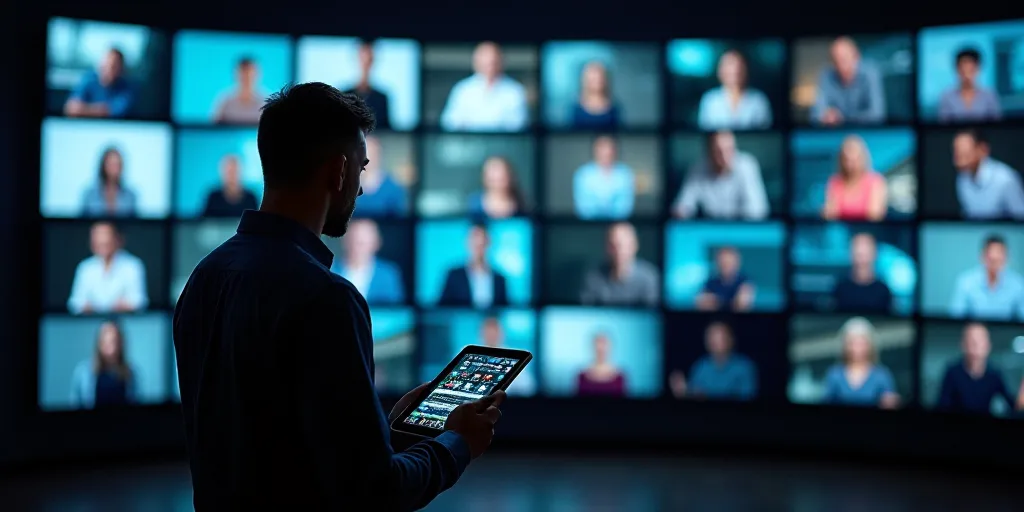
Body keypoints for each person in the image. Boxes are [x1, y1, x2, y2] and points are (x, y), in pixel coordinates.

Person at [173, 83, 503, 510]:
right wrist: (458, 443)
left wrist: (388, 429)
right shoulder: (328, 299)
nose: (362, 190)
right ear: (339, 171)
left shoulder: (204, 278)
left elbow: (276, 447)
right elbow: (376, 492)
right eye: (361, 170)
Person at [671, 130, 769, 220]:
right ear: (709, 152)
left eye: (729, 150)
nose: (724, 157)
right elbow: (682, 207)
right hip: (712, 231)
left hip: (742, 232)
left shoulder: (747, 166)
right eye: (718, 152)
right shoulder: (698, 169)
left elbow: (757, 211)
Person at [937, 323, 1024, 415]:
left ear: (987, 345)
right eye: (971, 342)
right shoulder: (952, 373)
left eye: (979, 342)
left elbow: (1013, 406)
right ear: (963, 345)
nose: (975, 347)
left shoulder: (994, 375)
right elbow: (942, 408)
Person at [440, 42, 528, 132]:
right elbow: (449, 122)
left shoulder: (515, 91)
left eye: (493, 62)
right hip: (469, 144)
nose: (490, 67)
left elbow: (518, 125)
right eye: (485, 62)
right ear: (476, 62)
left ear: (501, 62)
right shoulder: (463, 89)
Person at [67, 221, 148, 315]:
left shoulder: (133, 265)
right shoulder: (85, 267)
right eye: (98, 243)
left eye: (106, 243)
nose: (102, 246)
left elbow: (139, 302)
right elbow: (75, 303)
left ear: (118, 240)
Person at [822, 317, 899, 409]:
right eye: (853, 343)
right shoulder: (834, 374)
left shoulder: (882, 375)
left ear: (870, 345)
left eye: (861, 343)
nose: (857, 349)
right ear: (846, 346)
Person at [668, 322, 757, 401]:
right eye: (710, 336)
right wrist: (683, 391)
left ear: (730, 339)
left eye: (719, 336)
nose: (713, 341)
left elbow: (747, 398)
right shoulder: (700, 366)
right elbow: (694, 395)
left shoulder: (745, 367)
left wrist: (704, 396)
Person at [579, 222, 659, 306]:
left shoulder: (649, 278)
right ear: (607, 248)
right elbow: (586, 312)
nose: (618, 251)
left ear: (634, 246)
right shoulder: (593, 277)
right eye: (613, 246)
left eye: (622, 245)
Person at [811, 37, 886, 126]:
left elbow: (877, 114)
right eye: (835, 61)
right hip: (834, 134)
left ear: (856, 57)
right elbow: (815, 115)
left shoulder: (871, 73)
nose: (840, 66)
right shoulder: (826, 75)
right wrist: (826, 115)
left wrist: (843, 119)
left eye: (844, 59)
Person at [952, 129, 1024, 220]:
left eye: (964, 153)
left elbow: (1021, 219)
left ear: (983, 150)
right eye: (957, 153)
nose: (958, 161)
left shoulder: (1006, 179)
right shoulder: (961, 178)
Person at [949, 235, 1024, 321]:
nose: (995, 263)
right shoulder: (966, 282)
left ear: (1006, 258)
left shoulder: (1018, 284)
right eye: (991, 259)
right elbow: (955, 317)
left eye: (999, 258)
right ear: (982, 257)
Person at [330, 218, 405, 304]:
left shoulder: (389, 274)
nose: (358, 248)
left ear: (376, 244)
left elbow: (395, 311)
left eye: (363, 243)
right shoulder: (330, 269)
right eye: (354, 241)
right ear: (345, 242)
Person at [697, 49, 772, 130]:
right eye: (729, 65)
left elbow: (766, 134)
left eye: (739, 67)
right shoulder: (710, 99)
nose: (735, 71)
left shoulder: (759, 99)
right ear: (720, 71)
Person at [438, 223, 509, 308]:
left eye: (482, 242)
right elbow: (441, 309)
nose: (479, 244)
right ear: (468, 242)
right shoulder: (454, 275)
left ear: (489, 243)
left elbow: (504, 309)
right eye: (475, 240)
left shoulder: (500, 279)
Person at [70, 320, 137, 408]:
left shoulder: (131, 372)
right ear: (99, 343)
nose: (111, 349)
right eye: (107, 342)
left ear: (121, 344)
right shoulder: (83, 372)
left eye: (114, 342)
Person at [822, 135, 888, 222]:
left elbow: (875, 215)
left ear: (863, 158)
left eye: (855, 160)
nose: (850, 165)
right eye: (846, 159)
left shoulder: (876, 181)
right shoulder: (834, 181)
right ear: (841, 160)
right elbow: (830, 213)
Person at [572, 135, 635, 219]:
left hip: (618, 226)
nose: (606, 152)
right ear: (594, 149)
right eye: (602, 147)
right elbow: (584, 209)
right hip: (589, 226)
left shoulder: (625, 174)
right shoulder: (583, 174)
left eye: (609, 147)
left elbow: (625, 208)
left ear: (615, 150)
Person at [64, 48, 136, 118]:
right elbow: (71, 109)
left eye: (114, 66)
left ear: (121, 69)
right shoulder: (88, 79)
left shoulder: (127, 87)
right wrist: (101, 109)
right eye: (106, 65)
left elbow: (115, 112)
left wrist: (83, 109)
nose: (109, 69)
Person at [833, 233, 893, 313]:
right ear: (851, 255)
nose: (861, 261)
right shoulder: (840, 288)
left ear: (874, 255)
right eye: (858, 255)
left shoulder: (883, 290)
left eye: (865, 255)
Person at [938, 48, 1002, 123]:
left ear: (978, 69)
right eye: (963, 70)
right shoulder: (947, 96)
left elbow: (997, 123)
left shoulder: (990, 95)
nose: (967, 75)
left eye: (971, 70)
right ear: (957, 70)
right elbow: (943, 124)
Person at [478, 316, 536, 396]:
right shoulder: (469, 355)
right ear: (481, 333)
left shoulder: (514, 356)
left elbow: (527, 387)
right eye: (487, 331)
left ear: (501, 333)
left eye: (494, 331)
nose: (491, 335)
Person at [353, 135, 408, 217]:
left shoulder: (394, 189)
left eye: (371, 153)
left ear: (379, 156)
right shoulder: (349, 186)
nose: (366, 158)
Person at [343, 40, 390, 130]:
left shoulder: (382, 98)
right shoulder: (344, 95)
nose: (365, 64)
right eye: (363, 58)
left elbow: (387, 132)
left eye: (369, 59)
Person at [81, 146, 138, 217]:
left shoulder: (130, 195)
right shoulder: (89, 195)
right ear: (103, 166)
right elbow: (82, 223)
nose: (114, 169)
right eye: (111, 164)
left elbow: (134, 224)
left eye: (117, 165)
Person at [696, 247, 755, 312]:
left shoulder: (745, 281)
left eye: (728, 263)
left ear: (736, 263)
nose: (725, 266)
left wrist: (717, 301)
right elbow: (701, 302)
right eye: (722, 263)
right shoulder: (711, 282)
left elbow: (742, 305)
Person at [213, 57, 266, 125]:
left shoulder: (267, 102)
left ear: (258, 74)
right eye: (244, 73)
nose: (247, 77)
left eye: (250, 73)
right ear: (236, 74)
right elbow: (214, 129)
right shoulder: (225, 101)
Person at [570, 61, 619, 129]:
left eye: (599, 77)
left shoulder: (614, 108)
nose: (597, 81)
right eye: (593, 78)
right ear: (586, 80)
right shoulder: (575, 109)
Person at [576, 332, 626, 397]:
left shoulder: (620, 377)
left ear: (610, 347)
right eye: (598, 343)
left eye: (604, 343)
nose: (601, 348)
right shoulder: (581, 377)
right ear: (592, 347)